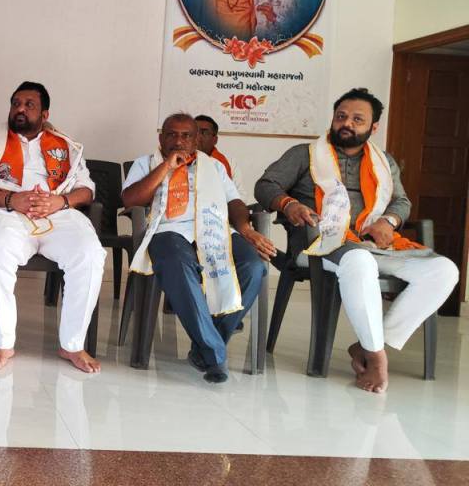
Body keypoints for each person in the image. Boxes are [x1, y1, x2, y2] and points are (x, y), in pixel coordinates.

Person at [254, 88, 459, 393]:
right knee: (359, 261)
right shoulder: (304, 155)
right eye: (341, 116)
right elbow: (265, 185)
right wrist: (288, 204)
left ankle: (370, 345)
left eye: (357, 119)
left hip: (374, 245)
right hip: (319, 243)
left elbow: (401, 202)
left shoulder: (384, 162)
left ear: (373, 127)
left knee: (444, 270)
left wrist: (389, 221)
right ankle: (376, 357)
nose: (346, 123)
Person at [122, 113, 273, 383]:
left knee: (254, 266)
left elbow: (235, 203)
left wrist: (246, 230)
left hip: (215, 230)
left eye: (186, 136)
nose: (178, 141)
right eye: (171, 134)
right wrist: (165, 167)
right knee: (178, 264)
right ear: (161, 138)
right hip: (167, 230)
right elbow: (131, 199)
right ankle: (214, 353)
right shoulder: (145, 163)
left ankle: (206, 348)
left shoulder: (214, 167)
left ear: (196, 140)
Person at [0, 81, 105, 374]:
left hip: (58, 213)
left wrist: (61, 201)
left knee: (90, 253)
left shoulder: (66, 146)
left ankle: (73, 344)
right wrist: (11, 199)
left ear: (44, 114)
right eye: (16, 103)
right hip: (8, 214)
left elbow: (87, 190)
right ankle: (3, 342)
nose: (20, 109)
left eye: (29, 105)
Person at [194, 114, 234, 178]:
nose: (198, 136)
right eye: (195, 132)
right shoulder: (180, 158)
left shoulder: (222, 164)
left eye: (204, 133)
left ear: (215, 140)